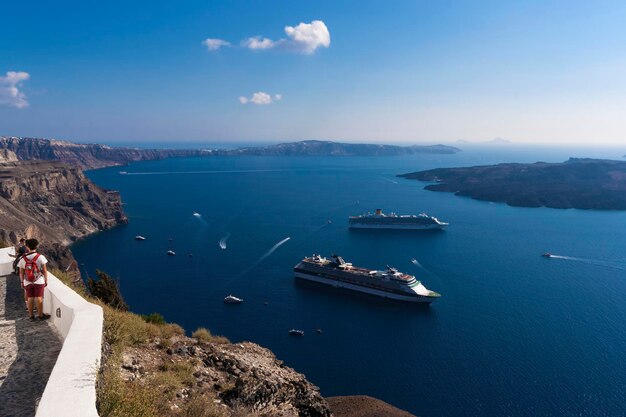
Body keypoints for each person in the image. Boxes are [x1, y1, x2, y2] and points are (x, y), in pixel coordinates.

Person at [18, 238, 51, 321]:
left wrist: (22, 281)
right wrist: (46, 280)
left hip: (27, 281)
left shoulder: (23, 258)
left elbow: (21, 272)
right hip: (39, 280)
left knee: (30, 298)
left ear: (27, 246)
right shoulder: (40, 257)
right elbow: (44, 270)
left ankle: (31, 316)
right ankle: (40, 316)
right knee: (39, 297)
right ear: (36, 246)